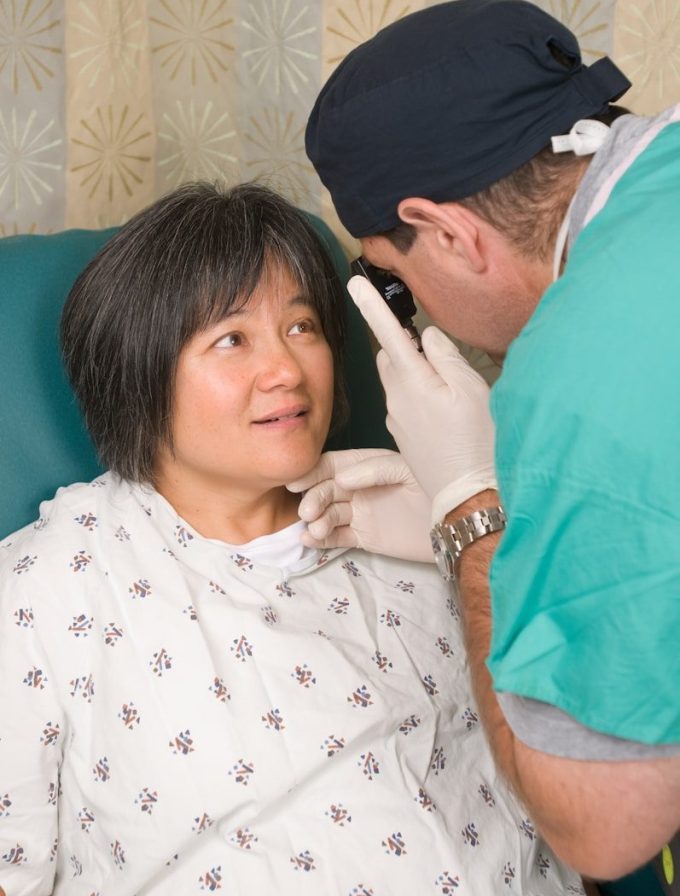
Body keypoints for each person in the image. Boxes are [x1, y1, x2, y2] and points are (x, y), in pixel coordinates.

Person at [0, 181, 585, 895]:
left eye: (303, 326)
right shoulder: (52, 589)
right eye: (232, 339)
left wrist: (488, 520)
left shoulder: (433, 526)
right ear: (139, 372)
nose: (286, 370)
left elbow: (596, 759)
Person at [289, 0, 680, 885]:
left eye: (398, 279)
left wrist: (470, 507)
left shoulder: (578, 377)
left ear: (452, 234)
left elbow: (602, 830)